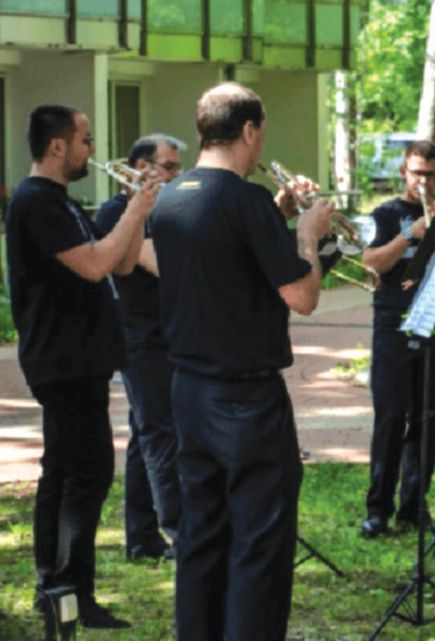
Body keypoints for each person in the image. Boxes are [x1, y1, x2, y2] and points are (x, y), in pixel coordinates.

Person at [150, 82, 334, 641]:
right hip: (245, 399)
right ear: (250, 130)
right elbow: (302, 296)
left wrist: (274, 215)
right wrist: (307, 237)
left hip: (187, 390)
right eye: (262, 135)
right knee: (260, 541)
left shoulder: (171, 195)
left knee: (201, 534)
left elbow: (225, 256)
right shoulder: (245, 201)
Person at [5, 104, 159, 629]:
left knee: (63, 474)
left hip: (80, 361)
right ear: (57, 147)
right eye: (86, 140)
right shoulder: (35, 202)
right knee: (88, 474)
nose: (93, 150)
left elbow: (118, 259)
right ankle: (70, 592)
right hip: (63, 362)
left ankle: (56, 587)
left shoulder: (58, 202)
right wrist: (138, 207)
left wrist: (136, 212)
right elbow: (95, 266)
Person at [94, 134, 186, 562]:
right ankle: (178, 533)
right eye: (167, 167)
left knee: (144, 437)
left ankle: (140, 537)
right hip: (139, 339)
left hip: (164, 334)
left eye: (176, 167)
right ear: (138, 167)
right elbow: (162, 265)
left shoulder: (161, 212)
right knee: (160, 434)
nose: (174, 175)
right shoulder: (119, 212)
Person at [360, 140, 435, 539]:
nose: (423, 182)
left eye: (431, 175)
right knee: (391, 418)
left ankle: (415, 507)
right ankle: (377, 510)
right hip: (392, 325)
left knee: (428, 419)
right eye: (417, 173)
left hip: (433, 322)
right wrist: (410, 235)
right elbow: (371, 263)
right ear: (404, 172)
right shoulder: (386, 214)